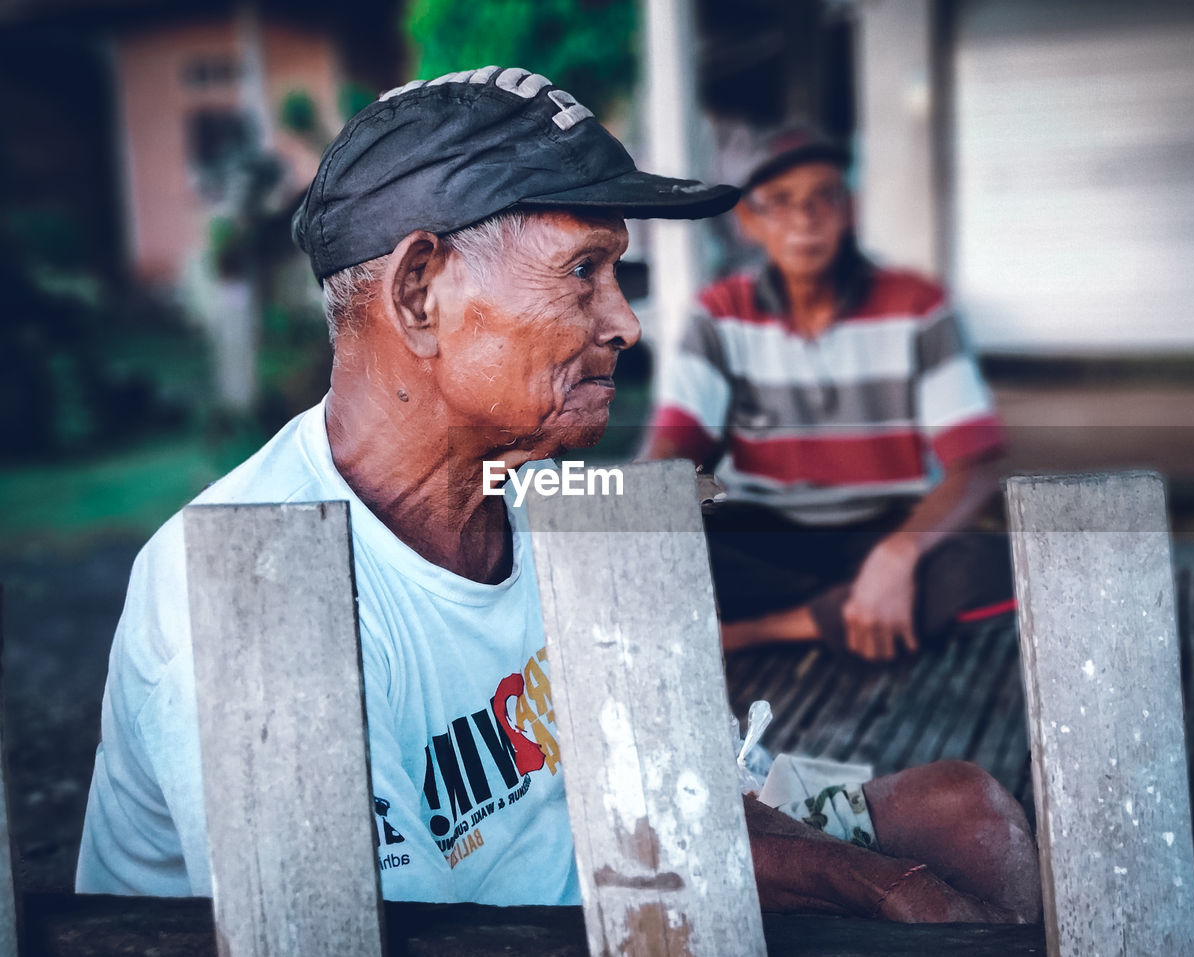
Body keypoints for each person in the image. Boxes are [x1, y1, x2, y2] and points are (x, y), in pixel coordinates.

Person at [76, 68, 1039, 922]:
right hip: (512, 928)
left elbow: (663, 794)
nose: (624, 321)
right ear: (419, 293)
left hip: (610, 868)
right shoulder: (253, 590)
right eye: (584, 270)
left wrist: (874, 882)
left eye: (617, 272)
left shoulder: (544, 498)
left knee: (966, 817)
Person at [647, 129, 1015, 662]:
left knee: (997, 566)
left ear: (851, 211)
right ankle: (843, 617)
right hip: (763, 536)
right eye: (780, 202)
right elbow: (671, 453)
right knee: (655, 544)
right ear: (750, 222)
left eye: (824, 198)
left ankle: (750, 632)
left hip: (885, 527)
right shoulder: (720, 313)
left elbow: (975, 465)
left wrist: (900, 553)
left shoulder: (918, 306)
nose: (805, 219)